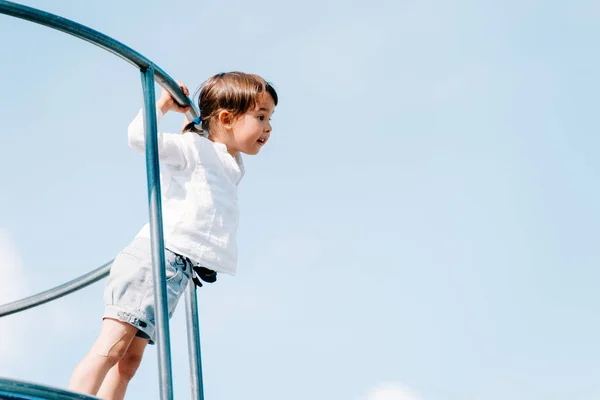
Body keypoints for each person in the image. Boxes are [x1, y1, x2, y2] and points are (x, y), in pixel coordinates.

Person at [68, 72, 278, 400]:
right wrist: (163, 105)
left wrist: (198, 123)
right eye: (261, 117)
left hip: (175, 271)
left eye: (270, 118)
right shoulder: (193, 150)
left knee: (129, 362)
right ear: (226, 117)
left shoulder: (229, 162)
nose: (268, 128)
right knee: (110, 347)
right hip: (154, 260)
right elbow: (140, 138)